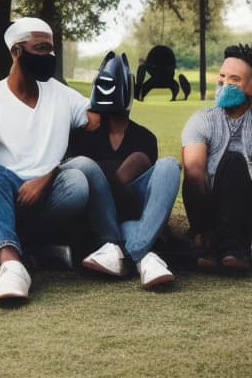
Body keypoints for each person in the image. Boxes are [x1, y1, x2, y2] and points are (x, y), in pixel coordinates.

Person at [0, 17, 125, 303]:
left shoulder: (61, 94)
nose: (48, 56)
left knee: (82, 169)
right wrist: (12, 187)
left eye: (51, 49)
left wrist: (110, 81)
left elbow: (95, 121)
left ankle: (112, 249)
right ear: (15, 51)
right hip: (9, 195)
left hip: (55, 193)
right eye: (40, 48)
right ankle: (12, 267)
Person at [67, 51, 180, 288]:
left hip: (134, 215)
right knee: (85, 166)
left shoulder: (144, 137)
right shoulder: (81, 135)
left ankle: (128, 251)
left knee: (169, 165)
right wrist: (111, 175)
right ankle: (147, 257)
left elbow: (143, 201)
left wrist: (121, 174)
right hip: (101, 217)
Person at [182, 43, 252, 269]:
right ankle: (209, 239)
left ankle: (231, 246)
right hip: (209, 207)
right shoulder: (202, 120)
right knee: (194, 171)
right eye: (222, 76)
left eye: (235, 79)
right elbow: (194, 169)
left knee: (235, 162)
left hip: (246, 208)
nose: (224, 83)